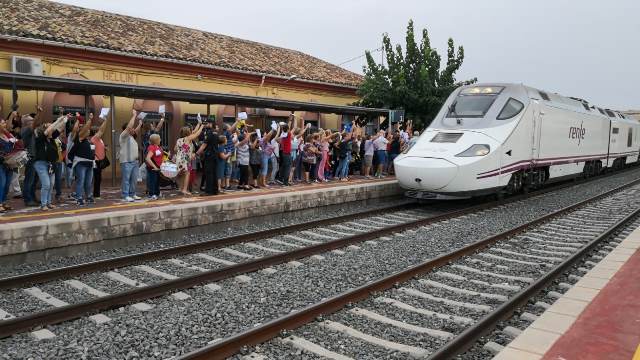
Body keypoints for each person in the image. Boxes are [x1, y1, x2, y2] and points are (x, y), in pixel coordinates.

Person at [34, 114, 67, 210]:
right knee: (46, 184)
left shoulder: (52, 139)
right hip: (41, 164)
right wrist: (57, 120)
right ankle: (43, 204)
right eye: (49, 127)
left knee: (51, 184)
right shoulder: (40, 138)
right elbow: (49, 129)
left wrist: (64, 120)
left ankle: (48, 202)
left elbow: (60, 129)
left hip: (51, 164)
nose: (52, 129)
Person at [69, 114, 95, 205]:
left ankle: (88, 196)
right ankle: (79, 198)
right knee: (81, 180)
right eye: (87, 130)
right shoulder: (79, 138)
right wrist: (90, 120)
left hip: (89, 164)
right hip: (80, 163)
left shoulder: (87, 141)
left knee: (88, 182)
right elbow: (85, 129)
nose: (88, 131)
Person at [21, 106, 44, 207]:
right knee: (29, 180)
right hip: (30, 157)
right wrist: (38, 113)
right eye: (31, 121)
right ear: (26, 123)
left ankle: (32, 197)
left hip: (35, 158)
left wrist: (40, 114)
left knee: (34, 180)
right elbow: (35, 124)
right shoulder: (26, 130)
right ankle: (28, 199)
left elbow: (37, 123)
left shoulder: (32, 130)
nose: (33, 122)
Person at [119, 109, 142, 202]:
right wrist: (134, 116)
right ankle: (125, 195)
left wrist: (140, 124)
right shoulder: (123, 136)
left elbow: (135, 130)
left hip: (134, 161)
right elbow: (129, 127)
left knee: (133, 180)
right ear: (127, 129)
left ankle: (132, 194)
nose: (133, 129)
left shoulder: (131, 137)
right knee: (126, 179)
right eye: (131, 129)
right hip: (126, 161)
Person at [174, 122, 203, 196]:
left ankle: (180, 188)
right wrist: (202, 126)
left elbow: (175, 149)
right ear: (188, 133)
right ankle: (185, 189)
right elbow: (196, 134)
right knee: (187, 174)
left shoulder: (179, 140)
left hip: (179, 158)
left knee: (181, 174)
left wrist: (198, 124)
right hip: (185, 159)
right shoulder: (188, 138)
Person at [0, 112, 17, 213]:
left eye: (4, 123)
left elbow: (10, 126)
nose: (4, 125)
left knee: (7, 184)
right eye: (2, 123)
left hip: (10, 163)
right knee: (1, 183)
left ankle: (4, 202)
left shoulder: (7, 135)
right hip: (1, 163)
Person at [196, 128, 218, 195]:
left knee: (209, 174)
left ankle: (208, 191)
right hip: (215, 155)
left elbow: (204, 145)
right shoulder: (215, 134)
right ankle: (214, 190)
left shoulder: (209, 134)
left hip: (209, 156)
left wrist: (197, 153)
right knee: (214, 173)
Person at [91, 114, 108, 199]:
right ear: (95, 132)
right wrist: (105, 121)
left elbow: (99, 146)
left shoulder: (99, 139)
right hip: (96, 161)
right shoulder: (94, 138)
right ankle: (95, 195)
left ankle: (96, 194)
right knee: (97, 178)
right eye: (97, 130)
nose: (99, 132)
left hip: (100, 160)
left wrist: (104, 148)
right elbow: (102, 130)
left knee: (98, 178)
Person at [145, 133, 163, 199]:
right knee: (153, 181)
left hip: (158, 167)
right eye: (159, 139)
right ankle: (151, 194)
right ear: (156, 140)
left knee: (157, 181)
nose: (160, 140)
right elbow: (147, 158)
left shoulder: (158, 147)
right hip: (152, 168)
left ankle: (157, 193)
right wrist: (154, 166)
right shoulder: (152, 147)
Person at [277, 116, 294, 186]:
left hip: (284, 153)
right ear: (287, 129)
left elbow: (287, 128)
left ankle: (282, 179)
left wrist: (289, 121)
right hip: (287, 154)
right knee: (288, 168)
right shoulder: (288, 134)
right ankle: (285, 182)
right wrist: (290, 120)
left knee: (284, 167)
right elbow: (289, 128)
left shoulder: (283, 134)